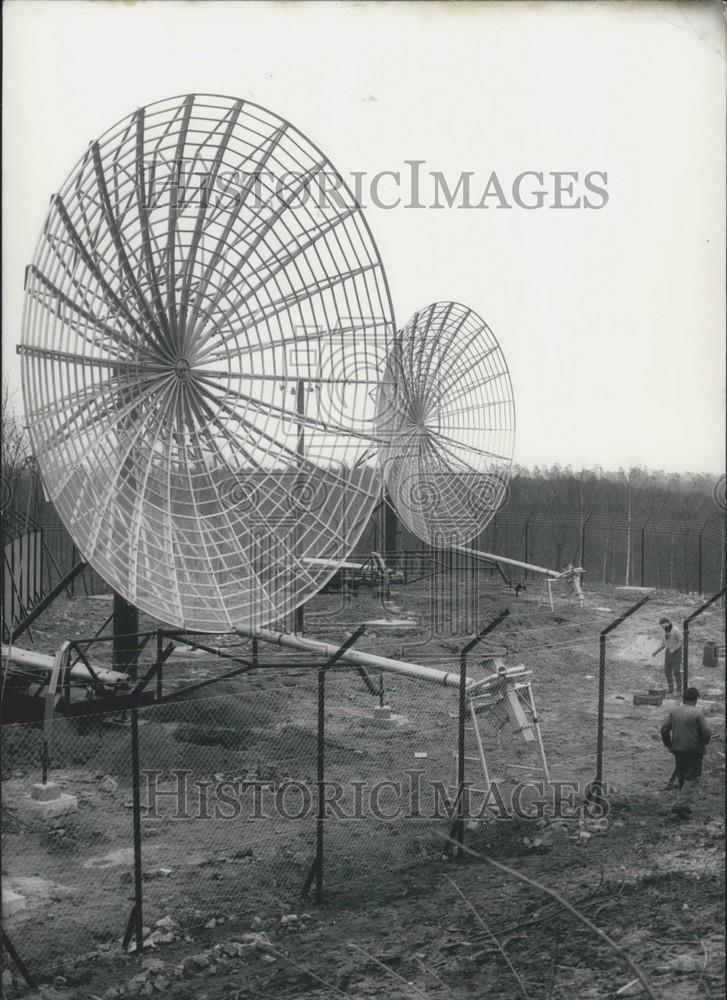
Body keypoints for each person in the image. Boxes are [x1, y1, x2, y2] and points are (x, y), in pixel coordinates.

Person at [660, 686, 711, 818]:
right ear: (696, 699)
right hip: (693, 750)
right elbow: (705, 733)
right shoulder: (697, 713)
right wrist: (704, 741)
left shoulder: (674, 711)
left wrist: (669, 744)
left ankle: (684, 804)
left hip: (677, 749)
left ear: (683, 698)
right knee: (693, 777)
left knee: (682, 775)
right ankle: (681, 805)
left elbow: (664, 729)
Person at [651, 616, 683, 695]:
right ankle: (671, 689)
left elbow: (681, 641)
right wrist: (656, 652)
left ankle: (679, 689)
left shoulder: (675, 630)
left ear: (666, 623)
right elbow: (663, 645)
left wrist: (674, 649)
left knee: (676, 671)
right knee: (667, 672)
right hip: (668, 653)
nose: (661, 626)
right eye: (660, 624)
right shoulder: (664, 632)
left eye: (662, 624)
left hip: (676, 652)